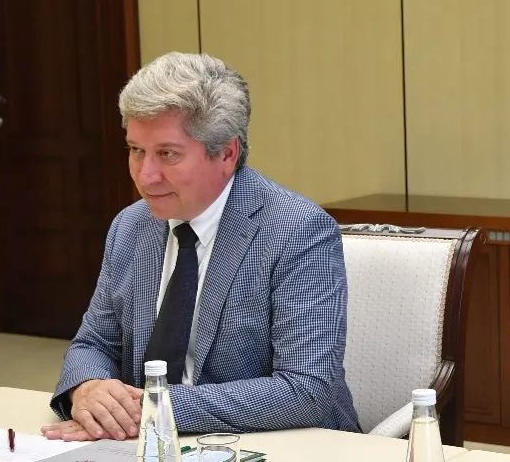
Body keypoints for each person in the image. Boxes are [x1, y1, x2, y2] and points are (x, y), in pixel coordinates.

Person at [43, 52, 360, 440]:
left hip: (284, 449)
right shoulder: (130, 226)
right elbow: (93, 344)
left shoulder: (296, 231)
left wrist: (154, 408)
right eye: (136, 150)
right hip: (147, 448)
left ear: (226, 153)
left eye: (167, 154)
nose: (145, 176)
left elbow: (307, 391)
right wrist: (88, 388)